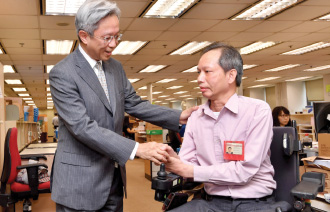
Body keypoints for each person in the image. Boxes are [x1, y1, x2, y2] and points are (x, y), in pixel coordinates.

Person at [49, 0, 197, 211]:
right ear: (84, 36)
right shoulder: (63, 73)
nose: (114, 44)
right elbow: (82, 127)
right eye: (107, 37)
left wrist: (179, 116)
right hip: (79, 182)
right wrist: (137, 148)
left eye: (117, 36)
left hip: (113, 179)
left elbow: (134, 104)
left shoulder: (115, 67)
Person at [164, 43, 290, 212]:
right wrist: (174, 161)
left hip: (254, 203)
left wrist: (190, 169)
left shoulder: (257, 111)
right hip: (212, 202)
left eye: (207, 72)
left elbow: (244, 171)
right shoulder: (196, 117)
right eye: (198, 72)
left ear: (231, 75)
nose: (199, 78)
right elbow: (188, 165)